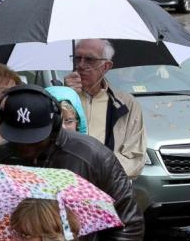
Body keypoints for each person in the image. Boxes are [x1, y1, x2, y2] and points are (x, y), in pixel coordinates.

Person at [0, 85, 144, 241]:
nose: (26, 147)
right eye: (18, 138)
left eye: (35, 138)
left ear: (55, 124)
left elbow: (128, 225)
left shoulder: (92, 157)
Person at [63, 39, 147, 179]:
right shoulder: (58, 98)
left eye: (89, 59)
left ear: (106, 66)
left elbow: (135, 157)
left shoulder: (126, 104)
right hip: (69, 183)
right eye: (77, 58)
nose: (81, 65)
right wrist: (64, 96)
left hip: (109, 185)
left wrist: (99, 172)